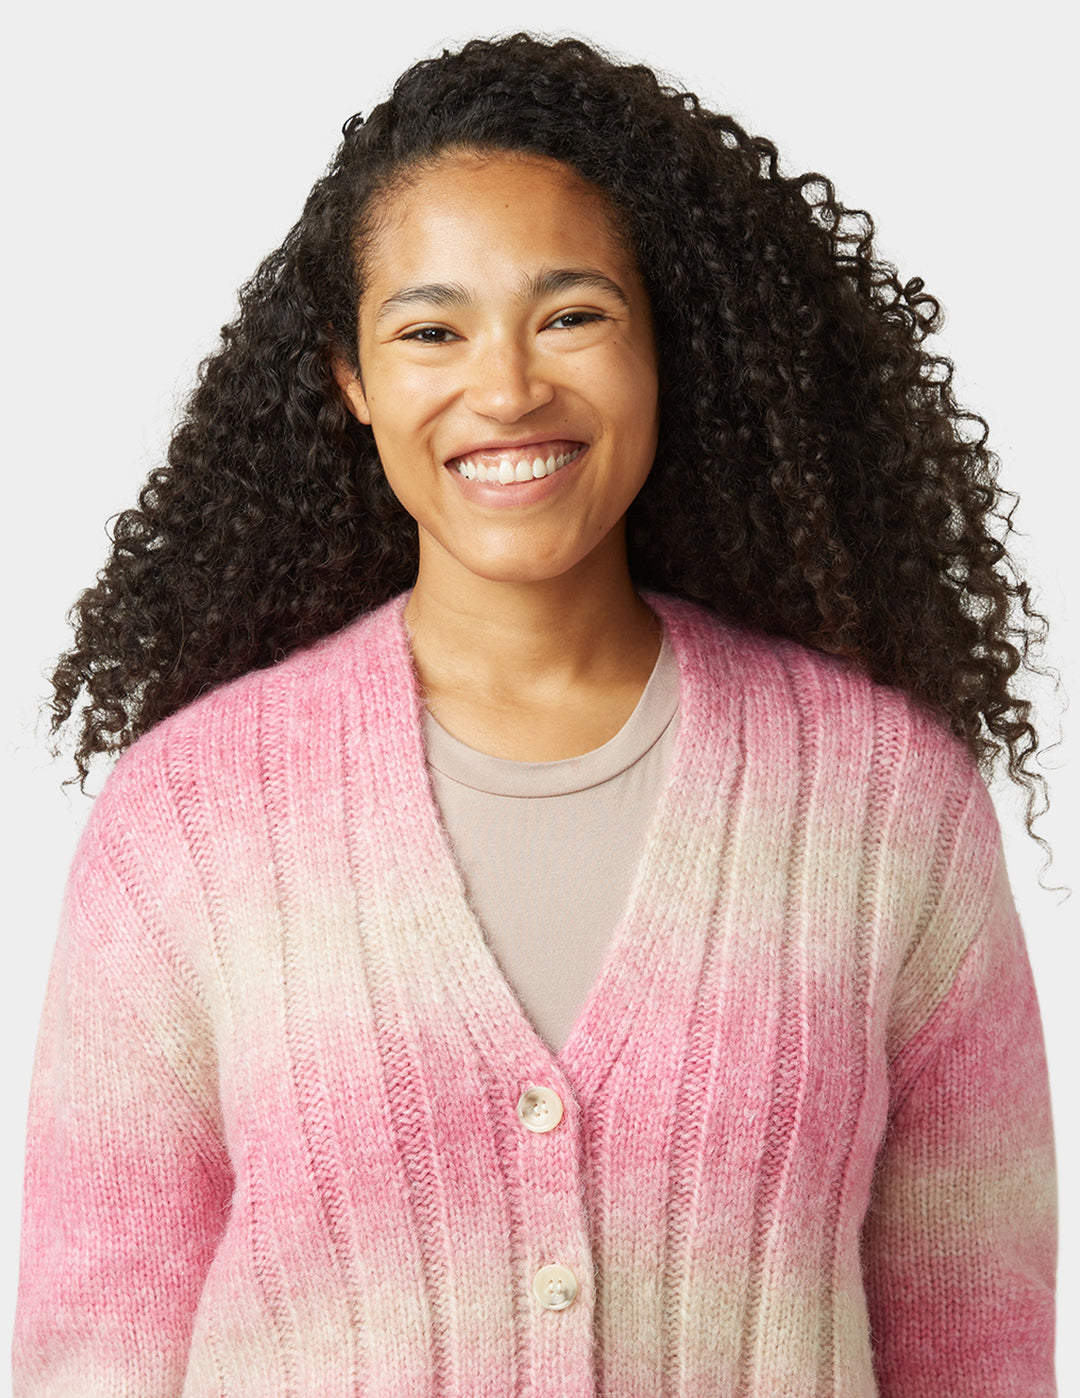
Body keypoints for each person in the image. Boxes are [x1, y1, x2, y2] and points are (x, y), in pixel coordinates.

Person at [13, 32, 1056, 1398]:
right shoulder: (188, 827)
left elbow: (976, 1347)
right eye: (431, 329)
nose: (505, 389)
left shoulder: (888, 807)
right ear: (351, 376)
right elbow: (96, 1345)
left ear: (662, 341)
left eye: (571, 315)